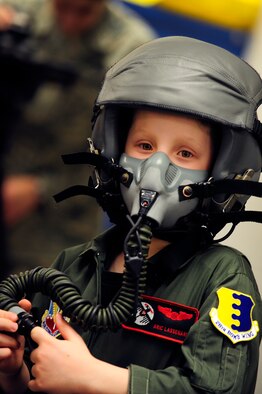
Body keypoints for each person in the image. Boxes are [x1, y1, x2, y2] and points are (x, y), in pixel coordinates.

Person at [0, 35, 262, 394]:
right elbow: (41, 379)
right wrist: (14, 372)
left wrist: (95, 378)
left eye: (185, 154)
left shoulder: (222, 276)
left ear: (219, 175)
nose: (156, 169)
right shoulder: (73, 264)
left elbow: (219, 389)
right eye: (144, 146)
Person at [0, 0, 156, 273]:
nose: (70, 22)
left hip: (57, 221)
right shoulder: (14, 11)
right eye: (62, 8)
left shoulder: (131, 49)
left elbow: (127, 153)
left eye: (84, 12)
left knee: (33, 306)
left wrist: (42, 188)